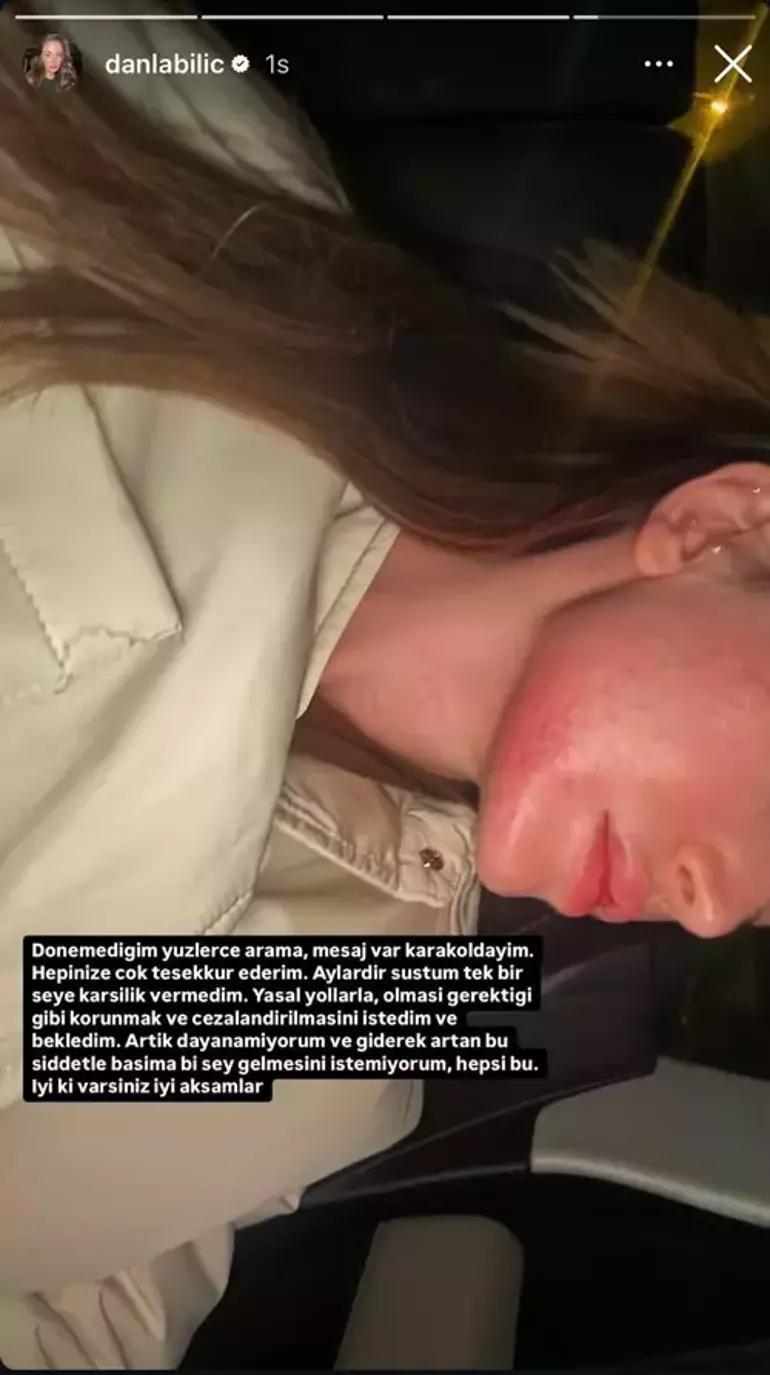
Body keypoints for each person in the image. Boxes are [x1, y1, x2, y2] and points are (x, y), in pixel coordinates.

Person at [0, 6, 769, 1369]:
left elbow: (77, 1305)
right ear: (721, 532)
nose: (715, 910)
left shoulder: (365, 1007)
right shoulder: (200, 214)